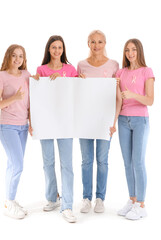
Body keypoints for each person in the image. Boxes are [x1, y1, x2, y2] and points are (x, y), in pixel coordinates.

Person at [32, 35, 78, 223]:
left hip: (66, 121)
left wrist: (75, 80)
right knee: (48, 162)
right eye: (53, 47)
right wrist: (34, 82)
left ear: (63, 50)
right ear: (48, 50)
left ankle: (67, 206)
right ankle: (52, 198)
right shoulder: (41, 70)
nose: (57, 50)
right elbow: (38, 98)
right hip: (46, 122)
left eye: (60, 47)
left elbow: (76, 92)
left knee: (67, 165)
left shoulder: (71, 69)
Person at [77, 30, 120, 213]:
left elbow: (117, 96)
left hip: (105, 120)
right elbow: (76, 93)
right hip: (85, 119)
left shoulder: (113, 65)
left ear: (105, 43)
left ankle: (100, 198)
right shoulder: (81, 65)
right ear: (88, 43)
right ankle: (86, 198)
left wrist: (114, 122)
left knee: (102, 160)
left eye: (100, 42)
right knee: (86, 160)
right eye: (93, 42)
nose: (96, 45)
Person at [116, 39, 154, 220]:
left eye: (133, 50)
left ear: (139, 51)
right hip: (123, 120)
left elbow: (150, 100)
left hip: (140, 120)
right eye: (127, 50)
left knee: (138, 161)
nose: (130, 53)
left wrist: (132, 94)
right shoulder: (120, 72)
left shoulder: (147, 71)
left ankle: (141, 204)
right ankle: (132, 200)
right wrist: (114, 120)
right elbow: (117, 99)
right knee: (127, 163)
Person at [0, 44, 31, 219]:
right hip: (7, 126)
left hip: (22, 126)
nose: (17, 59)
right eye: (14, 56)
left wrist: (31, 121)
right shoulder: (0, 76)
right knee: (18, 165)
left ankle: (10, 201)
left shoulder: (26, 75)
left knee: (12, 165)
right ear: (8, 56)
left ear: (24, 59)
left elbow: (30, 101)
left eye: (20, 56)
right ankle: (9, 202)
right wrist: (14, 97)